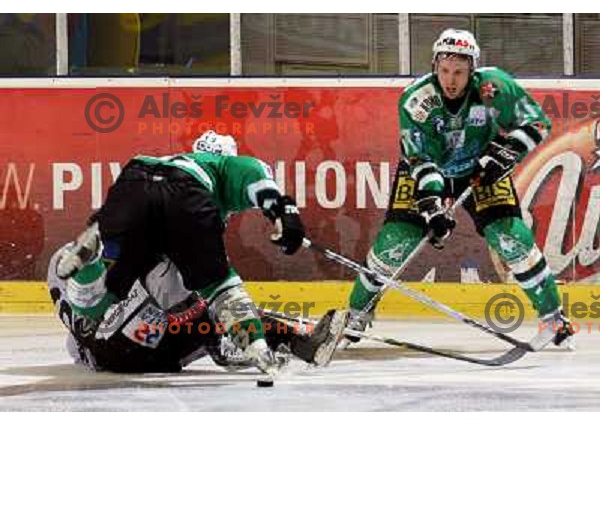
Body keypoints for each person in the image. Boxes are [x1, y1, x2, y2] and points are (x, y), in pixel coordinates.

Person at [342, 28, 573, 349]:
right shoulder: (417, 100)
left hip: (481, 168)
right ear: (435, 66)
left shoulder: (494, 87)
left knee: (512, 238)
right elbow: (420, 159)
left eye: (459, 72)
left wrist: (505, 153)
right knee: (396, 241)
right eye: (445, 70)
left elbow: (536, 123)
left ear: (472, 71)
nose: (451, 79)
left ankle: (553, 316)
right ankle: (357, 312)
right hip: (425, 170)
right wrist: (433, 207)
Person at [55, 130, 313, 375]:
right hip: (184, 193)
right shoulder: (227, 167)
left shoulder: (167, 163)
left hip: (133, 178)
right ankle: (258, 346)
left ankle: (92, 261)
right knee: (217, 286)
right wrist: (284, 214)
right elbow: (260, 183)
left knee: (103, 291)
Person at [48, 246, 347, 373]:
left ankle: (236, 340)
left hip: (147, 355)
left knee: (202, 307)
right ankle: (251, 342)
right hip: (134, 350)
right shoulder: (78, 272)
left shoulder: (75, 321)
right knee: (196, 294)